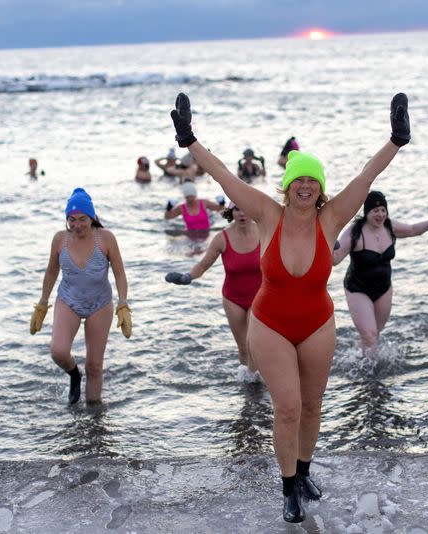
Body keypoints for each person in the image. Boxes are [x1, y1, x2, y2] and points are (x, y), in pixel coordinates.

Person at [169, 91, 410, 522]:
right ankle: (287, 490)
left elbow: (365, 176)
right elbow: (223, 175)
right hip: (271, 323)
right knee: (287, 407)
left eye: (312, 180)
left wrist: (395, 139)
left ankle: (303, 472)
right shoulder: (267, 213)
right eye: (298, 179)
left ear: (320, 187)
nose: (304, 185)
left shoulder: (331, 218)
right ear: (287, 184)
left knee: (313, 406)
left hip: (318, 323)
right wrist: (189, 139)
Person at [30, 188, 132, 404]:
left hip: (100, 304)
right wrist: (42, 303)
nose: (77, 225)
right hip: (68, 300)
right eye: (72, 220)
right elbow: (51, 272)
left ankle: (94, 419)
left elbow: (120, 273)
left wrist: (123, 303)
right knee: (58, 352)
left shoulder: (105, 238)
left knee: (94, 366)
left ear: (92, 217)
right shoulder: (60, 240)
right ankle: (74, 374)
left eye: (82, 219)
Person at [333, 191, 428, 355]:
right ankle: (368, 374)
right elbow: (335, 259)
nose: (380, 214)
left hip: (384, 289)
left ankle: (364, 361)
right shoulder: (355, 232)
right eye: (375, 211)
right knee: (370, 335)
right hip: (357, 289)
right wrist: (329, 240)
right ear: (367, 212)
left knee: (375, 333)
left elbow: (412, 229)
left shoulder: (389, 226)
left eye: (383, 210)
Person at [165, 202, 262, 371]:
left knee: (253, 343)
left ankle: (259, 380)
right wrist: (187, 277)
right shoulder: (222, 238)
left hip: (259, 296)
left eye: (246, 208)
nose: (242, 214)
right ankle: (248, 382)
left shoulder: (264, 231)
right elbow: (203, 265)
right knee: (243, 348)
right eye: (237, 209)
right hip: (233, 299)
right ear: (231, 212)